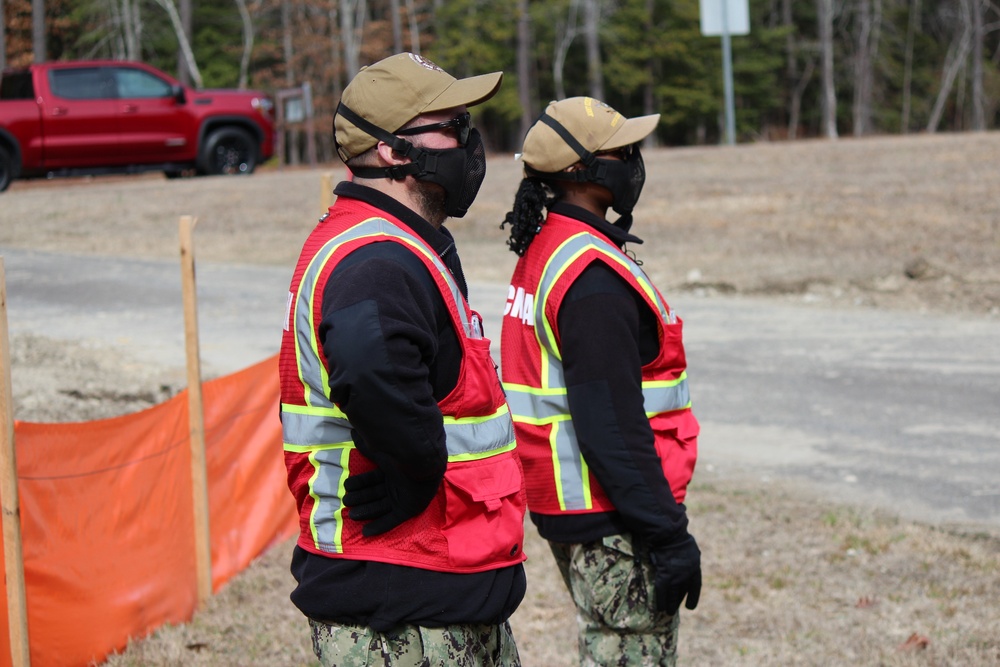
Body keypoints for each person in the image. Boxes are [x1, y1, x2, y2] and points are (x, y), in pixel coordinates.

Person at [278, 53, 527, 667]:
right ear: (393, 150)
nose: (471, 143)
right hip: (406, 609)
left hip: (430, 593)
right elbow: (367, 365)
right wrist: (416, 472)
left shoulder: (385, 242)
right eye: (453, 126)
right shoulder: (379, 261)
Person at [499, 97, 702, 666]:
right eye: (621, 150)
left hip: (579, 507)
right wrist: (667, 535)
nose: (634, 161)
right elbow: (610, 426)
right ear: (579, 172)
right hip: (611, 513)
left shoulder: (551, 247)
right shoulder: (589, 275)